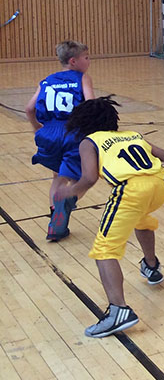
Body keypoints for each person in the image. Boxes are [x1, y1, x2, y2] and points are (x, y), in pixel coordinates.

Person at [55, 96, 164, 337]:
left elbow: (89, 178)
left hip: (130, 190)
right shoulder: (132, 135)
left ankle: (118, 310)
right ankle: (151, 266)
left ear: (81, 122)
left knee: (104, 250)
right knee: (141, 218)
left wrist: (70, 191)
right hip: (160, 184)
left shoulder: (89, 142)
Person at [25, 40, 95, 241]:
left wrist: (38, 129)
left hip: (48, 133)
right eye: (86, 57)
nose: (89, 61)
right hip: (73, 132)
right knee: (83, 179)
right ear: (73, 61)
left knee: (58, 177)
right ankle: (67, 201)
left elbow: (29, 109)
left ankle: (56, 221)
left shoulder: (47, 80)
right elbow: (91, 106)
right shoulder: (83, 78)